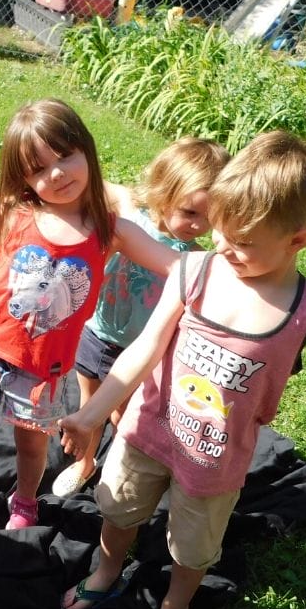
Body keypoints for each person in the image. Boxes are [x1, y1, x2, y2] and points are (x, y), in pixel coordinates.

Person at [57, 131, 306, 609]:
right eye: (219, 229)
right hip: (145, 432)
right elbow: (144, 349)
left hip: (216, 462)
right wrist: (91, 415)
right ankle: (106, 572)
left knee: (194, 549)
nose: (222, 246)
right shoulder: (196, 271)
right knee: (118, 511)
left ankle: (174, 607)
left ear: (298, 240)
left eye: (242, 243)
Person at [0, 98, 179, 529]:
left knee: (31, 444)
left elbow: (173, 264)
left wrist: (229, 269)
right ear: (23, 177)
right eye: (39, 169)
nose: (56, 173)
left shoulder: (110, 229)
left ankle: (24, 501)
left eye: (65, 157)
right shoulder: (14, 209)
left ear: (87, 151)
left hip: (45, 369)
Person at [52, 138, 230, 497]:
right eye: (190, 213)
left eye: (209, 218)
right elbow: (97, 181)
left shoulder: (195, 258)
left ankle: (125, 470)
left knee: (125, 415)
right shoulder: (130, 216)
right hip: (96, 331)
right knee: (89, 400)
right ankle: (85, 464)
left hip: (139, 351)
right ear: (162, 194)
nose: (198, 227)